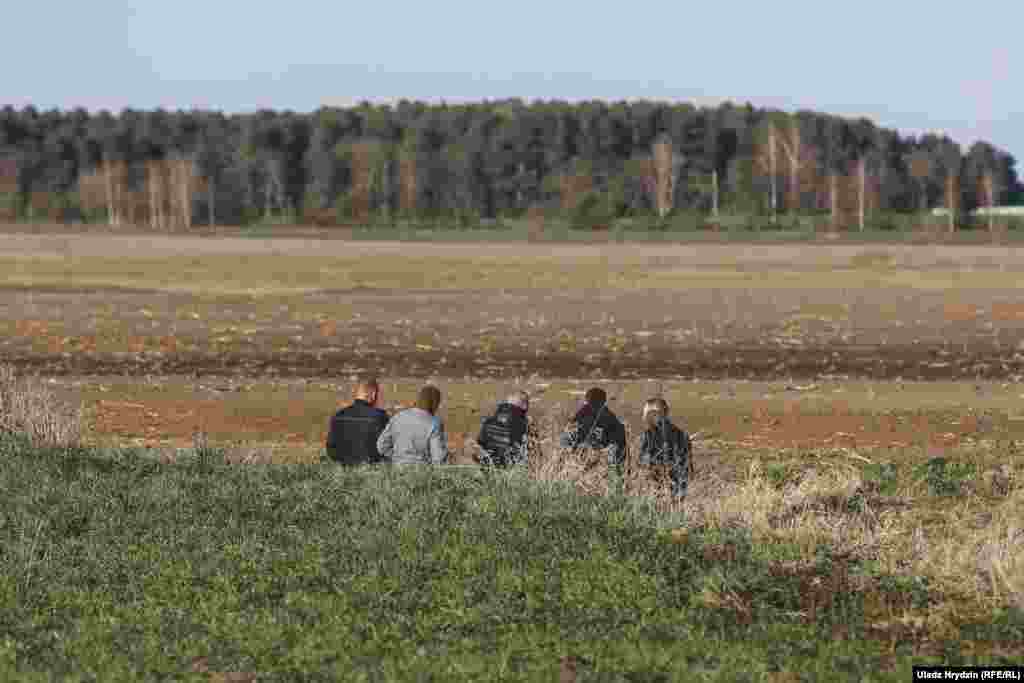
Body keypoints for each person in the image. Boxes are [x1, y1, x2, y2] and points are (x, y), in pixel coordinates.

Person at [559, 387, 627, 491]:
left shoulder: (580, 417)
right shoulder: (612, 420)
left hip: (584, 472)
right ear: (604, 402)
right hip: (599, 473)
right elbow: (618, 456)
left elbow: (565, 447)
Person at [325, 374, 390, 465]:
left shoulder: (338, 415)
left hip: (343, 467)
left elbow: (330, 448)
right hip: (371, 466)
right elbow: (386, 446)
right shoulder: (380, 416)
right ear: (373, 394)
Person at [376, 384, 449, 465]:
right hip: (422, 470)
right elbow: (438, 458)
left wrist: (396, 457)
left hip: (397, 469)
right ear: (435, 404)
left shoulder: (397, 417)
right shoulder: (434, 423)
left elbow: (381, 446)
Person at [637, 397, 692, 501]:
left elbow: (686, 468)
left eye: (647, 414)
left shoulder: (681, 436)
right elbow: (642, 463)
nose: (644, 417)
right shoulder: (682, 435)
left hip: (667, 490)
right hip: (660, 490)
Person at [476, 390, 536, 468]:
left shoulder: (488, 420)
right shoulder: (525, 423)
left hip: (487, 464)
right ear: (524, 406)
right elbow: (532, 450)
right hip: (509, 466)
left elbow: (479, 442)